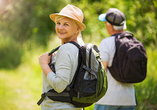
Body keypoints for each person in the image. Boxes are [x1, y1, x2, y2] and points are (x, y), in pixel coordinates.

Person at [38, 4, 86, 110]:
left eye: (66, 24)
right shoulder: (80, 48)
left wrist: (44, 65)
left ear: (77, 29)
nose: (60, 27)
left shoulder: (66, 49)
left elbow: (59, 86)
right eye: (58, 23)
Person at [94, 8, 137, 110]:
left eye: (105, 23)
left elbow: (102, 71)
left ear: (110, 25)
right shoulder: (133, 42)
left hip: (108, 99)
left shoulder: (106, 42)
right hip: (129, 100)